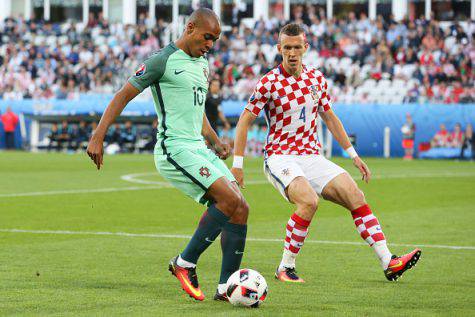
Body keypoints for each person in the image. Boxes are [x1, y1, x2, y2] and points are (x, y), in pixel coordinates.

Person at [231, 23, 421, 283]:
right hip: (280, 156)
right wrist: (238, 164)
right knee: (308, 201)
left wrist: (353, 155)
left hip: (312, 157)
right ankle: (285, 268)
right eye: (287, 47)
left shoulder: (316, 79)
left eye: (297, 47)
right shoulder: (268, 83)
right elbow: (244, 121)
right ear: (279, 49)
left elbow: (330, 118)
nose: (292, 53)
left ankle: (389, 262)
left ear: (305, 48)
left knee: (356, 195)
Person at [86, 8, 249, 302]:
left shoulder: (202, 65)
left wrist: (215, 142)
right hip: (174, 148)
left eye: (215, 40)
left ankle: (226, 289)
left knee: (241, 208)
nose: (210, 44)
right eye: (207, 37)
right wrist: (98, 135)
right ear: (190, 28)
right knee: (229, 199)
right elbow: (123, 94)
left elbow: (197, 113)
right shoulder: (162, 61)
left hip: (198, 148)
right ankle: (185, 263)